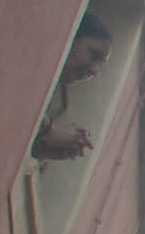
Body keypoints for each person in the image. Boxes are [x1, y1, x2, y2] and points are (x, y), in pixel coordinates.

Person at [33, 13, 111, 162]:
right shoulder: (32, 63)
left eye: (100, 66)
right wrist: (51, 131)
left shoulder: (47, 91)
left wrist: (44, 150)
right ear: (70, 36)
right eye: (93, 55)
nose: (94, 70)